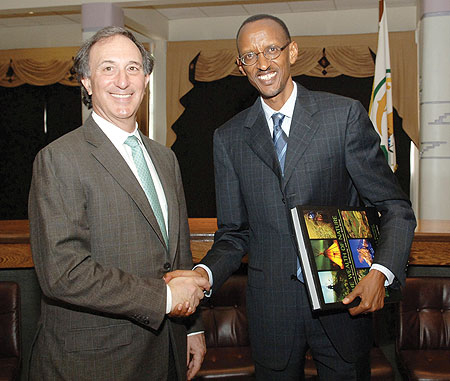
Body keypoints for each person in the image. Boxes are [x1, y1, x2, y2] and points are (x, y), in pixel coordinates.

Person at [167, 14, 416, 380]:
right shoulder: (230, 137)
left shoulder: (342, 116)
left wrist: (381, 271)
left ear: (292, 51)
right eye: (250, 56)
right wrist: (204, 274)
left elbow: (394, 207)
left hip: (343, 306)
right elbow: (234, 234)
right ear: (240, 66)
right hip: (272, 315)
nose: (263, 63)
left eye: (271, 49)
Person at [28, 26, 209, 381]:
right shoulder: (59, 159)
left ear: (146, 78)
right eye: (108, 68)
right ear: (87, 82)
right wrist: (164, 299)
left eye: (132, 68)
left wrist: (192, 327)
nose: (122, 81)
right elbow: (63, 273)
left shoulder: (165, 158)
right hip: (96, 362)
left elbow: (178, 251)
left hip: (167, 351)